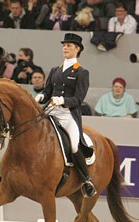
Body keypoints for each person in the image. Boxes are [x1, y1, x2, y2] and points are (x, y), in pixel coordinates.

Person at [35, 33, 97, 198]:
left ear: (77, 49)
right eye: (64, 45)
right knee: (28, 129)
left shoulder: (82, 72)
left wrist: (63, 100)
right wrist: (42, 96)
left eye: (69, 45)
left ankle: (86, 180)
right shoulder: (55, 70)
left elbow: (78, 98)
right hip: (50, 111)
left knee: (75, 145)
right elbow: (48, 90)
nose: (65, 48)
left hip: (67, 114)